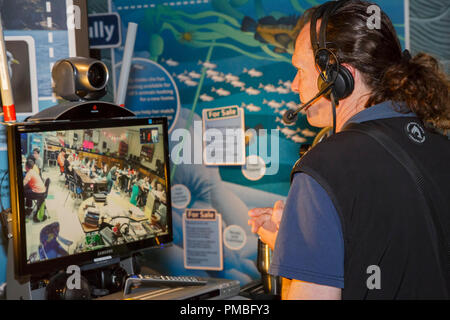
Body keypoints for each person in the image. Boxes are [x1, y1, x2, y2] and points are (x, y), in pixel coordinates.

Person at [248, 0, 450, 300]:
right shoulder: (440, 145)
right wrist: (300, 245)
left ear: (338, 78)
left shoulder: (323, 168)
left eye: (300, 71)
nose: (294, 85)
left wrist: (296, 265)